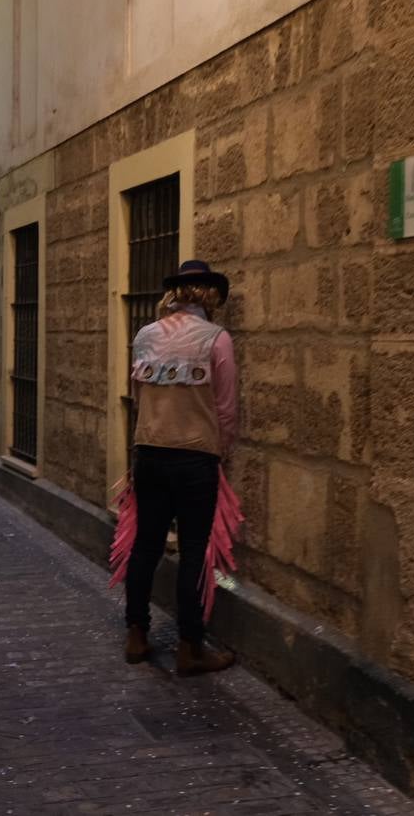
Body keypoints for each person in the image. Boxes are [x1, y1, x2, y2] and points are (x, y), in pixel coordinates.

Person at [122, 261, 238, 674]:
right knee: (193, 552)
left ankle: (137, 632)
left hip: (150, 452)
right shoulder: (217, 340)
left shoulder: (144, 336)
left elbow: (137, 395)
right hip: (195, 458)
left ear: (175, 295)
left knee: (145, 546)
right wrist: (222, 453)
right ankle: (190, 647)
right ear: (209, 295)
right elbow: (225, 408)